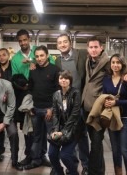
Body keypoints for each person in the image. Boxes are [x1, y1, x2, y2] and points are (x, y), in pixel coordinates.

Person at [81, 36, 127, 175]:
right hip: (87, 108)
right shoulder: (88, 61)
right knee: (103, 146)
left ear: (101, 48)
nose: (93, 50)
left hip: (101, 110)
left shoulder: (107, 62)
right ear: (87, 48)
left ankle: (94, 172)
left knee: (99, 144)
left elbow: (120, 71)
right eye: (90, 47)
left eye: (95, 47)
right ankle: (100, 171)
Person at [11, 29, 55, 166]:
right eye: (20, 41)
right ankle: (29, 155)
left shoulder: (37, 51)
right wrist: (23, 86)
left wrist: (33, 60)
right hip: (26, 94)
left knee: (42, 130)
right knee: (28, 129)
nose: (23, 42)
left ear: (29, 39)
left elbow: (51, 61)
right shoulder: (15, 58)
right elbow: (15, 77)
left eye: (25, 39)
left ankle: (42, 155)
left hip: (43, 93)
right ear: (18, 42)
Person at [55, 33, 88, 174]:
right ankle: (72, 165)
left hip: (80, 103)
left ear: (70, 43)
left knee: (82, 136)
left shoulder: (81, 55)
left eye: (65, 42)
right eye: (59, 43)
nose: (62, 45)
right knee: (69, 135)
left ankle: (86, 165)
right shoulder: (57, 61)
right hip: (66, 106)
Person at [23, 45, 60, 170]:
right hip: (35, 109)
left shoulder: (55, 70)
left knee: (51, 137)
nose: (39, 58)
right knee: (37, 136)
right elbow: (30, 89)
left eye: (42, 55)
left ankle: (55, 163)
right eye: (37, 56)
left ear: (47, 55)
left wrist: (51, 109)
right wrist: (30, 107)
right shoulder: (33, 70)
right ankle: (37, 159)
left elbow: (58, 92)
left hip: (49, 109)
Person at [102, 54, 127, 175]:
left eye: (118, 62)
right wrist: (105, 102)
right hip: (112, 119)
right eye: (113, 62)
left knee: (125, 150)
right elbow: (104, 95)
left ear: (122, 64)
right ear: (110, 64)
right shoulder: (106, 79)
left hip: (126, 119)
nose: (115, 65)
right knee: (115, 150)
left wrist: (116, 102)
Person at [49, 70, 82, 175]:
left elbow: (74, 115)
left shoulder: (76, 93)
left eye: (66, 78)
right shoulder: (56, 94)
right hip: (59, 128)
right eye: (61, 78)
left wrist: (62, 132)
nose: (63, 80)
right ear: (58, 80)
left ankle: (73, 173)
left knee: (65, 155)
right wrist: (55, 130)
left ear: (70, 80)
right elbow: (55, 114)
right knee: (52, 154)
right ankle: (59, 172)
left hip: (73, 129)